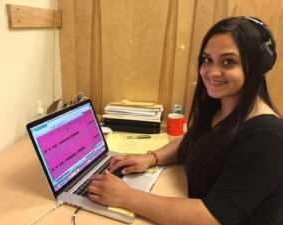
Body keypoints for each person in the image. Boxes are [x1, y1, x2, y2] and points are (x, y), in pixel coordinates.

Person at [88, 16, 283, 225]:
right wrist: (152, 158)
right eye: (207, 59)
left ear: (255, 66)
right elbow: (194, 140)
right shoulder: (219, 107)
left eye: (228, 61)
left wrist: (126, 197)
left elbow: (211, 217)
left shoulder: (267, 136)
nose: (212, 72)